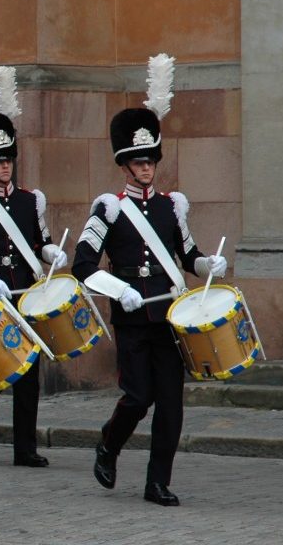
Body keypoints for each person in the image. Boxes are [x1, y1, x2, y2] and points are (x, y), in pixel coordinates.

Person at [71, 55, 225, 507]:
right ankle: (109, 443)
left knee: (172, 405)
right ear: (124, 165)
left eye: (150, 161)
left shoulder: (172, 206)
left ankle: (157, 482)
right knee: (137, 397)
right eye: (137, 163)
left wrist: (206, 265)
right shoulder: (109, 209)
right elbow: (81, 264)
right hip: (134, 317)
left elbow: (189, 252)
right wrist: (120, 290)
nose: (145, 169)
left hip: (169, 314)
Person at [0, 67, 64, 467]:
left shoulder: (29, 200)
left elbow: (41, 239)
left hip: (25, 291)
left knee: (29, 371)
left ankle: (25, 447)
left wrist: (52, 252)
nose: (5, 168)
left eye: (8, 161)